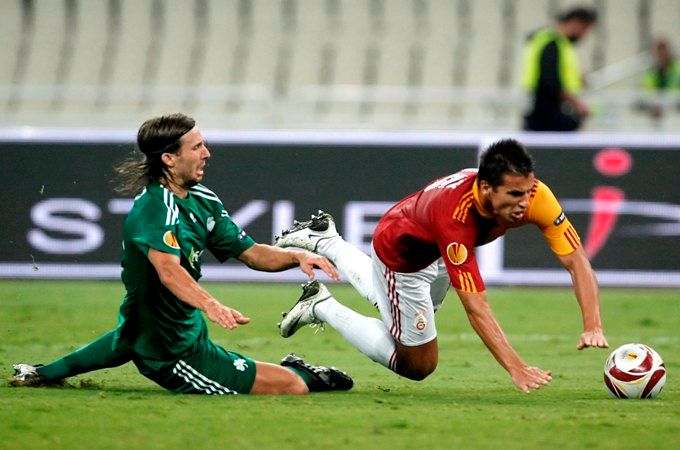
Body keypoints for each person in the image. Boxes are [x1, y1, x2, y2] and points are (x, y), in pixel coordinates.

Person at [11, 113, 352, 395]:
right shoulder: (156, 209)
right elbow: (168, 271)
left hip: (169, 327)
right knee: (291, 387)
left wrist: (296, 257)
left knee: (130, 335)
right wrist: (212, 305)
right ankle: (306, 374)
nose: (207, 153)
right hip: (173, 352)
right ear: (169, 159)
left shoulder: (203, 198)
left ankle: (40, 374)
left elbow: (250, 253)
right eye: (197, 146)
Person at [275, 139, 609, 394]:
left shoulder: (536, 197)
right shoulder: (456, 219)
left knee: (409, 318)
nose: (524, 203)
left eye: (528, 191)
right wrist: (515, 367)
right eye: (515, 194)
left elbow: (576, 259)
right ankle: (322, 304)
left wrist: (592, 324)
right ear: (487, 187)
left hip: (436, 251)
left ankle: (328, 240)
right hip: (401, 255)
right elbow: (476, 307)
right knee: (418, 363)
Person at [522, 6, 598, 132]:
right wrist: (577, 104)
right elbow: (551, 82)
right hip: (547, 114)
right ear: (575, 23)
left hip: (542, 111)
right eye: (585, 29)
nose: (585, 35)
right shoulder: (552, 44)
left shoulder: (551, 42)